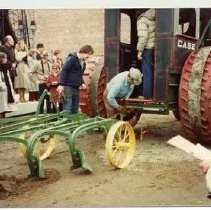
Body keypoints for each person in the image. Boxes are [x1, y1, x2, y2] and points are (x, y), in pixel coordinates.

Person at [57, 45, 94, 114]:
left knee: (75, 107)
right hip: (68, 86)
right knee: (68, 106)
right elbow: (64, 70)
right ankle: (66, 122)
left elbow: (79, 75)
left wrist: (82, 83)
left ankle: (73, 122)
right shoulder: (72, 59)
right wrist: (61, 85)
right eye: (88, 55)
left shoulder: (83, 63)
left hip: (76, 87)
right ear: (84, 52)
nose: (88, 57)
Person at [137, 9, 155, 99]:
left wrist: (140, 51)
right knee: (152, 71)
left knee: (146, 71)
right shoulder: (156, 18)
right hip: (154, 48)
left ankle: (146, 95)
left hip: (147, 49)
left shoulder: (142, 20)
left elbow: (143, 37)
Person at [0, 52, 16, 118]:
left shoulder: (6, 68)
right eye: (5, 58)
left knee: (4, 107)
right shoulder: (1, 68)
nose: (6, 59)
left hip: (6, 88)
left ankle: (3, 121)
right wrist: (2, 86)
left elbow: (8, 78)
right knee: (1, 106)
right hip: (1, 89)